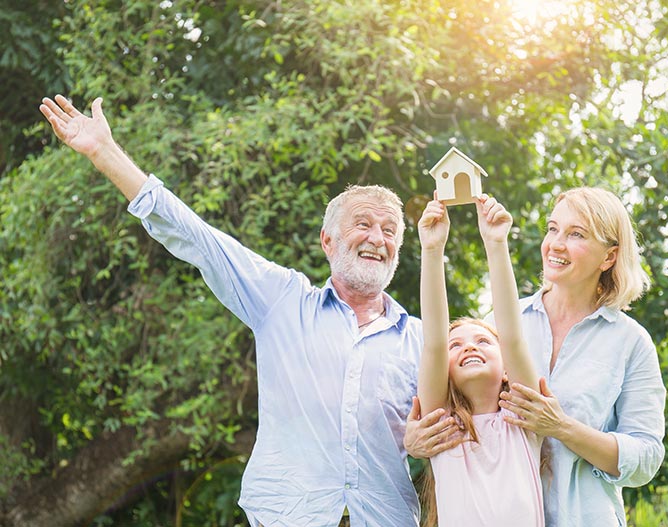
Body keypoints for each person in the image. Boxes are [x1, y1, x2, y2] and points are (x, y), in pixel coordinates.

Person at [39, 94, 424, 527]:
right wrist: (105, 152)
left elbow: (471, 418)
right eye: (363, 224)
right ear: (328, 242)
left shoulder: (424, 340)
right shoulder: (283, 301)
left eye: (389, 230)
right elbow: (199, 239)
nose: (378, 237)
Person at [406, 187, 666, 526]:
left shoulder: (631, 342)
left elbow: (646, 458)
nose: (556, 243)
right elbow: (439, 354)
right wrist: (414, 439)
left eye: (576, 234)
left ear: (609, 257)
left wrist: (561, 427)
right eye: (553, 228)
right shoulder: (496, 326)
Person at [416, 193, 544, 527]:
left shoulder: (524, 418)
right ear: (445, 370)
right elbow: (432, 343)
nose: (469, 347)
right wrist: (431, 250)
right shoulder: (442, 426)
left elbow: (512, 335)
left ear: (505, 370)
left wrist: (496, 242)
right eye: (455, 345)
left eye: (484, 340)